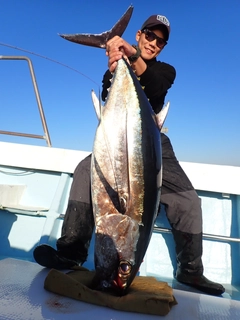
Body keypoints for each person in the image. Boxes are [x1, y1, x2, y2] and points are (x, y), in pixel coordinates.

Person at [33, 14, 225, 296]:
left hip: (153, 145)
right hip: (116, 143)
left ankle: (190, 271)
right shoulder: (117, 67)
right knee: (85, 170)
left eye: (161, 41)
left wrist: (130, 55)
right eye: (150, 36)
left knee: (188, 201)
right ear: (139, 33)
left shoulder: (165, 71)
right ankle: (72, 253)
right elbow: (107, 95)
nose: (155, 43)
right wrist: (114, 66)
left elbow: (156, 85)